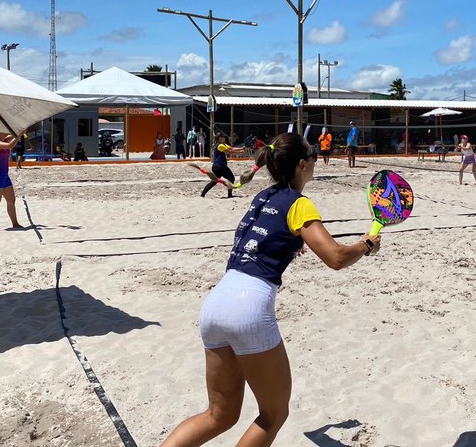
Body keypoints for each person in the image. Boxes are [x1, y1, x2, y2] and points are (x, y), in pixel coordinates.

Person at [161, 133, 381, 447]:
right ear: (303, 164)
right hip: (249, 307)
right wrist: (366, 245)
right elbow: (335, 258)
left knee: (218, 415)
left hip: (216, 302)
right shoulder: (299, 203)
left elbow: (263, 239)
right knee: (273, 415)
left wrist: (293, 245)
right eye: (314, 159)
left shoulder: (262, 196)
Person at [201, 133, 244, 198]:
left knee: (231, 178)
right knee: (215, 182)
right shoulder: (220, 145)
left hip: (222, 166)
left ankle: (229, 195)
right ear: (219, 138)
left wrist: (241, 148)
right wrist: (240, 152)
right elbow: (229, 152)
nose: (224, 138)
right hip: (218, 167)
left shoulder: (223, 144)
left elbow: (231, 149)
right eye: (222, 137)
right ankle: (202, 194)